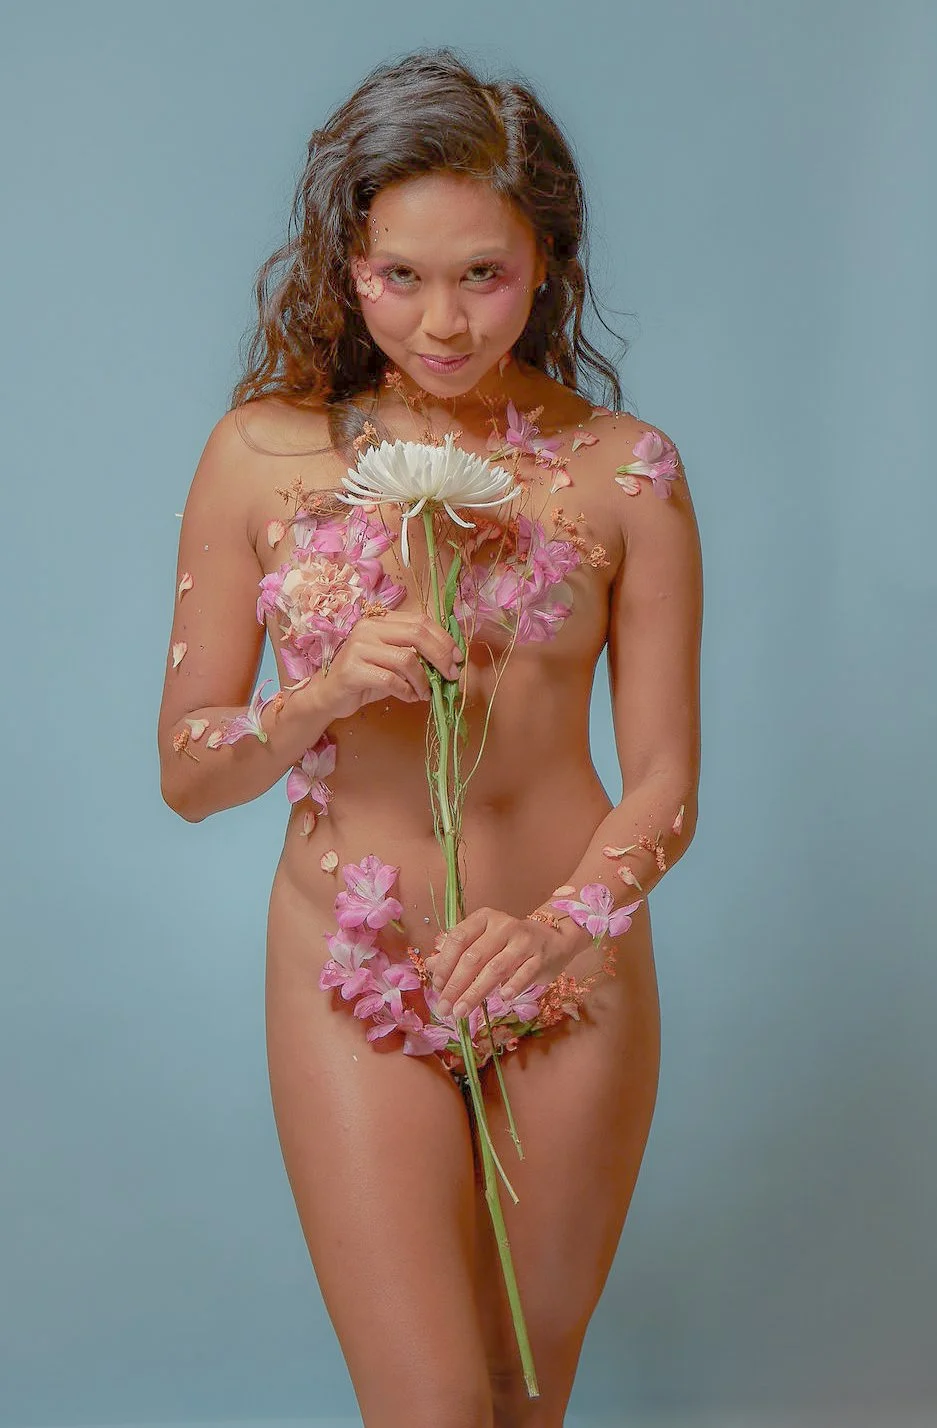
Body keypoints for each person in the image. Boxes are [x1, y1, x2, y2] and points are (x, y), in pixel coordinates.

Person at [157, 46, 703, 1428]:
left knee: (523, 1407)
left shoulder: (627, 470)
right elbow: (187, 775)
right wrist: (322, 692)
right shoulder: (258, 456)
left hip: (568, 969)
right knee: (434, 1410)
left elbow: (667, 785)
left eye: (486, 274)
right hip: (353, 963)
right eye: (402, 274)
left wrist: (564, 927)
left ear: (547, 261)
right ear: (345, 259)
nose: (445, 322)